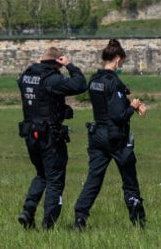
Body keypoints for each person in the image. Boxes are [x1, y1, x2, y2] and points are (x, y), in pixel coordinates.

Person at [74, 39, 148, 230]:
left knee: (94, 179)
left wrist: (127, 103)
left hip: (97, 134)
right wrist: (132, 107)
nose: (121, 66)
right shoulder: (114, 82)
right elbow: (118, 115)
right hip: (116, 138)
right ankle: (139, 221)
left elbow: (107, 106)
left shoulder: (95, 80)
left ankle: (80, 217)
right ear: (117, 59)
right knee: (129, 180)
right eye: (121, 63)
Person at [17, 46, 87, 230]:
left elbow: (26, 79)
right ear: (58, 62)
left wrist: (38, 64)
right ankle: (49, 225)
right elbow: (80, 85)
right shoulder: (53, 80)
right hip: (49, 136)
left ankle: (28, 210)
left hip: (31, 134)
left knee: (42, 174)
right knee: (55, 179)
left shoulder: (26, 76)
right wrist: (70, 66)